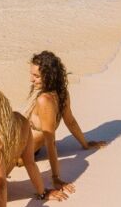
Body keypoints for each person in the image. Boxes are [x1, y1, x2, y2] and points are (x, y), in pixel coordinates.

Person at [25, 50, 108, 191]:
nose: (31, 80)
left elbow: (50, 142)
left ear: (49, 76)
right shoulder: (61, 93)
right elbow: (71, 122)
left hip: (20, 153)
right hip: (30, 148)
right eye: (32, 74)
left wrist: (55, 178)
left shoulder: (44, 100)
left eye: (36, 76)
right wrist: (85, 144)